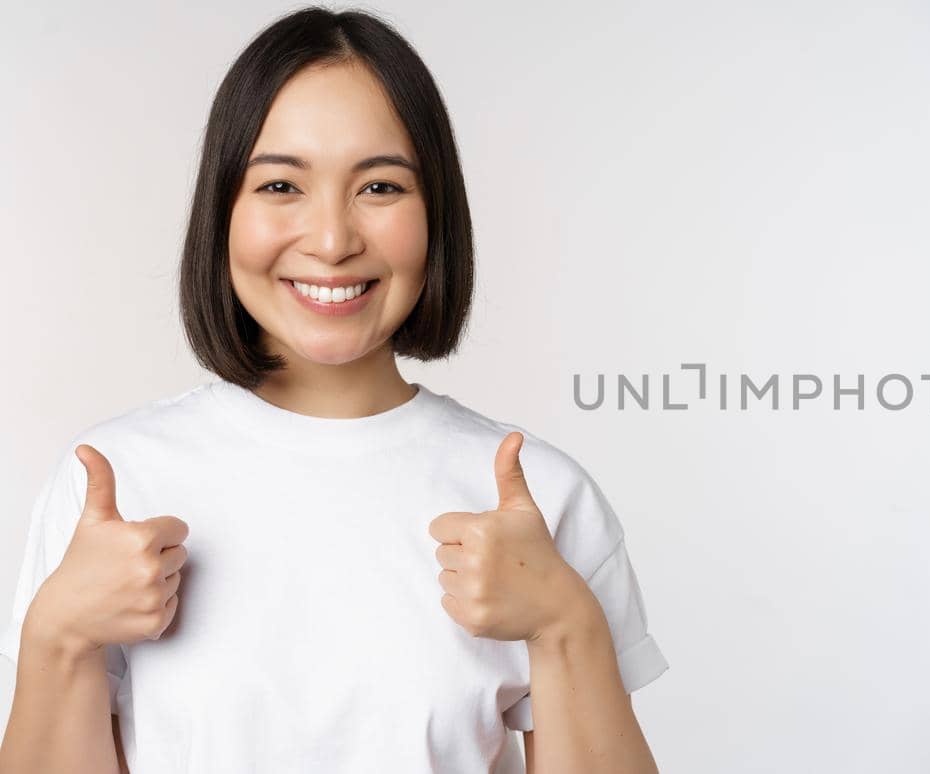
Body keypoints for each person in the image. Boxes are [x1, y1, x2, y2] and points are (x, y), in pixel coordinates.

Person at [0, 6, 667, 773]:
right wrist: (57, 637)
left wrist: (564, 623)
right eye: (281, 184)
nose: (331, 240)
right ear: (222, 213)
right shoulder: (112, 492)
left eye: (380, 186)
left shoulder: (540, 499)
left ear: (435, 214)